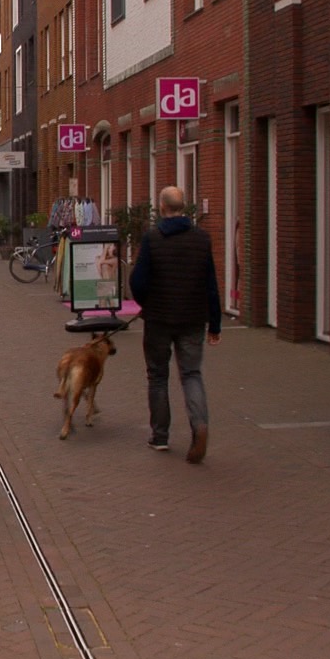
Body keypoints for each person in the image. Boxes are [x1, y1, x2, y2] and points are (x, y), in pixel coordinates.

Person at [128, 186, 222, 464]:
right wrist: (214, 324)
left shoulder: (153, 239)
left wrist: (147, 303)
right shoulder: (202, 239)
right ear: (184, 207)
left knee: (158, 376)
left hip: (158, 319)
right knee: (191, 374)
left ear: (162, 207)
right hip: (193, 319)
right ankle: (200, 426)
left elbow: (138, 281)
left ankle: (160, 437)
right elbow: (212, 286)